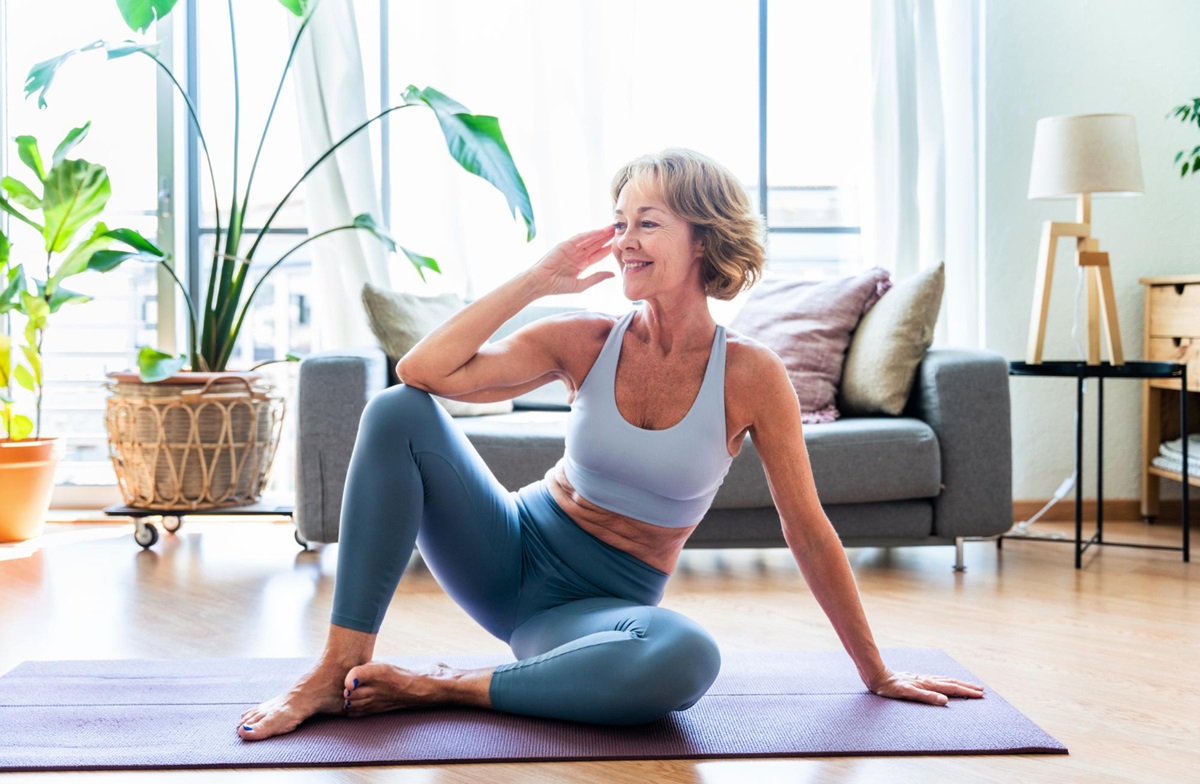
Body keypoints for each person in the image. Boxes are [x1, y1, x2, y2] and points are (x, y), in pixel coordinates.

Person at [237, 148, 984, 741]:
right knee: (399, 409)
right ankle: (339, 667)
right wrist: (539, 279)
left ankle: (439, 686)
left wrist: (876, 671)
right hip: (505, 552)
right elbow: (423, 373)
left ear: (704, 239)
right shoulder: (586, 340)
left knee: (687, 658)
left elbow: (807, 528)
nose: (623, 241)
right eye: (618, 222)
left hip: (593, 615)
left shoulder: (751, 376)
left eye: (646, 222)